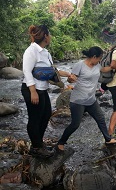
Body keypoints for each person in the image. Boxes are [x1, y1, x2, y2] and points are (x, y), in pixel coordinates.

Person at [21, 25, 76, 158]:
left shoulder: (46, 53)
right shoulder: (31, 50)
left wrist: (69, 74)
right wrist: (33, 91)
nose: (50, 37)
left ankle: (38, 143)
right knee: (35, 118)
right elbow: (27, 71)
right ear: (45, 36)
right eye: (49, 34)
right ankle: (36, 147)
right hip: (32, 89)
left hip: (43, 89)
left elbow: (53, 71)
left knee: (45, 116)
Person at [56, 47, 116, 152]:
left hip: (91, 100)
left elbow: (103, 69)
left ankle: (108, 139)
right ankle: (61, 142)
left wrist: (115, 67)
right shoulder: (79, 65)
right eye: (99, 58)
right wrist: (70, 79)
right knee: (75, 124)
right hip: (78, 101)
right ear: (94, 57)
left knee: (100, 118)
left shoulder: (97, 65)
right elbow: (70, 78)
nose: (100, 60)